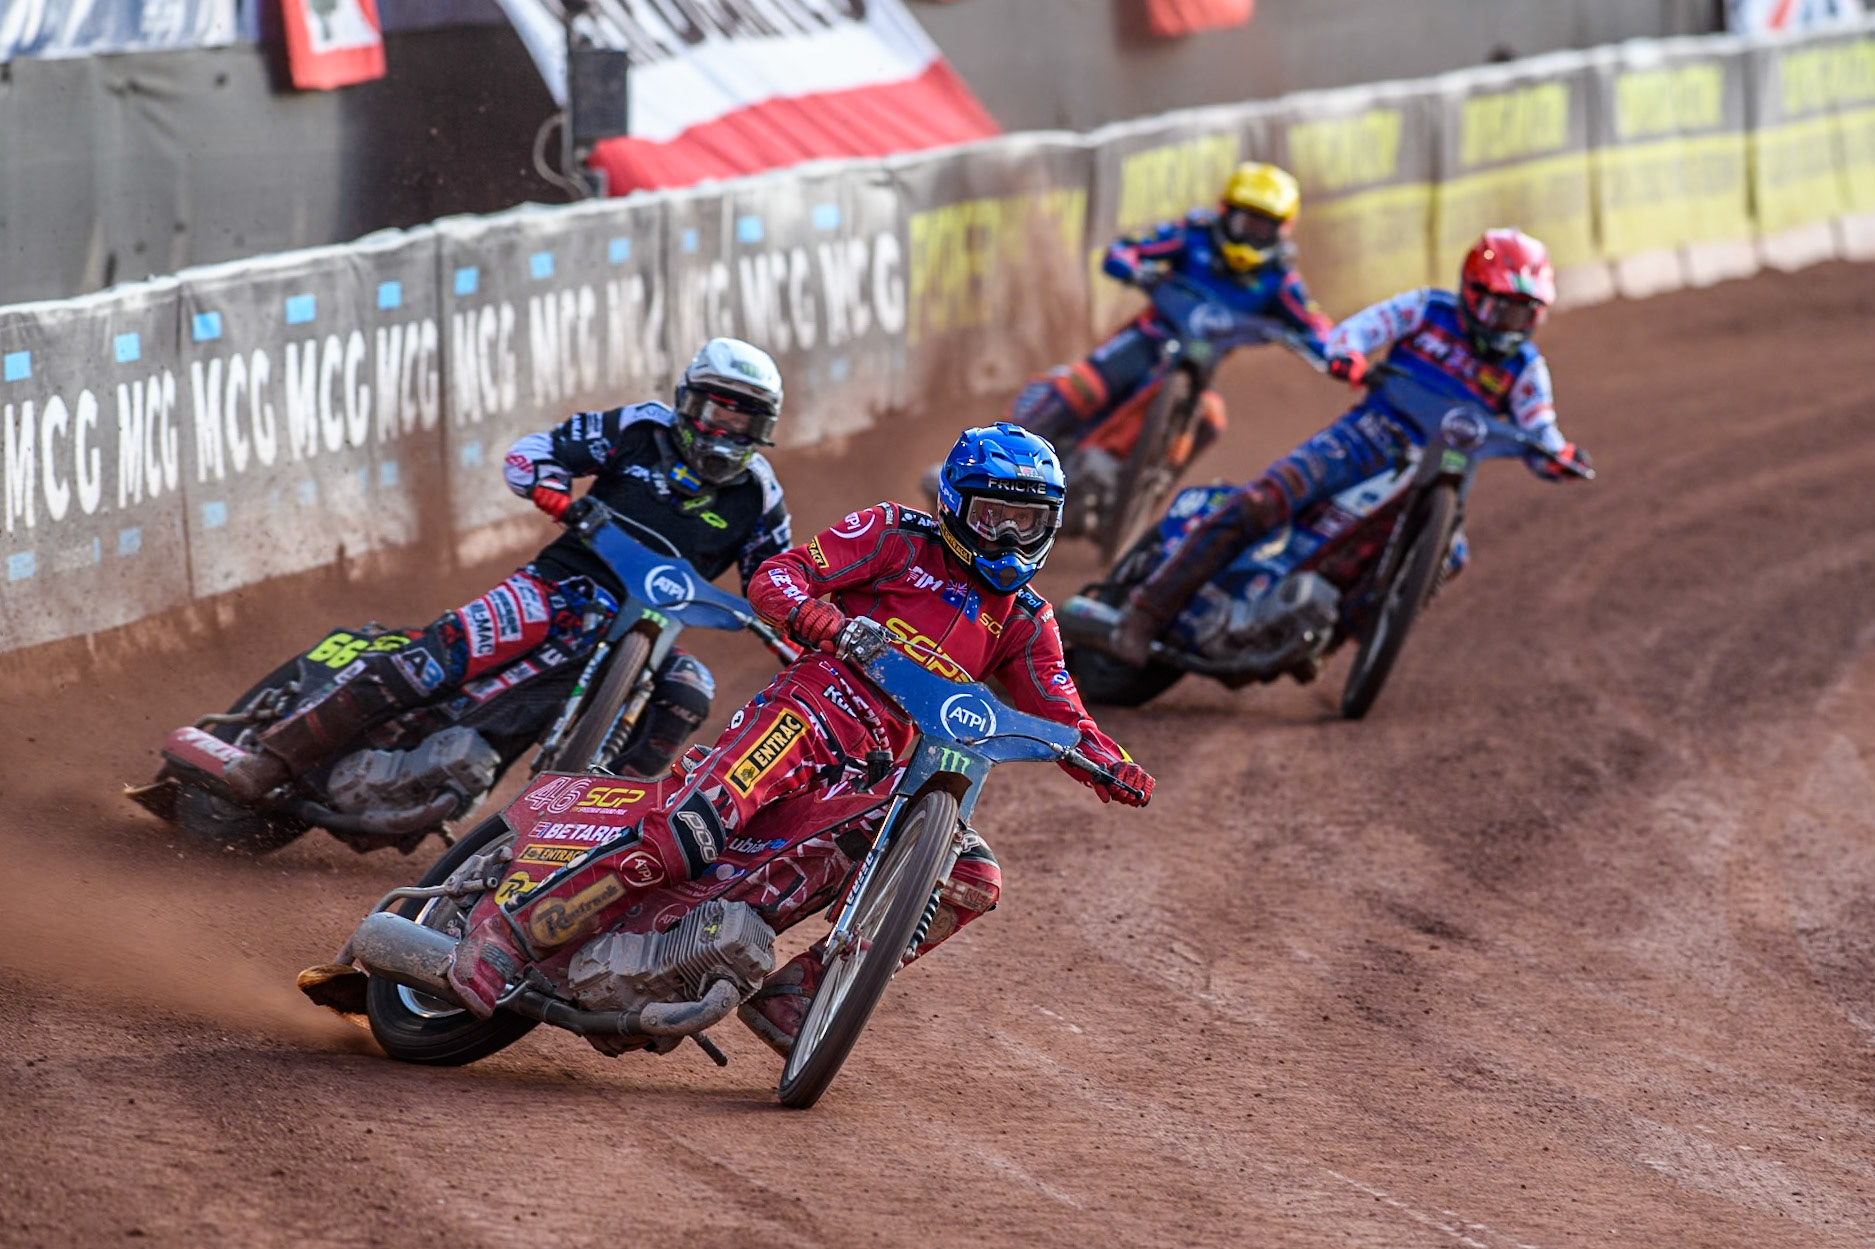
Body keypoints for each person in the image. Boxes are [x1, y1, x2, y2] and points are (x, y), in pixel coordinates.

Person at [444, 424, 1156, 1051]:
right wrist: (821, 620)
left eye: (1027, 522)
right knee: (690, 830)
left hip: (877, 771)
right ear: (954, 504)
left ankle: (797, 995)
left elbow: (1066, 716)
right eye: (993, 516)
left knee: (971, 873)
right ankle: (510, 931)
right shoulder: (894, 534)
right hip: (808, 711)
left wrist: (1112, 763)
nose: (1008, 537)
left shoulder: (1026, 620)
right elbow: (780, 576)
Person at [223, 338, 793, 804]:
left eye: (742, 420)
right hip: (558, 587)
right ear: (688, 402)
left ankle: (600, 828)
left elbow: (777, 580)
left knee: (690, 690)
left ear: (762, 427)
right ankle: (273, 758)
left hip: (650, 631)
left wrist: (804, 623)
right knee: (433, 661)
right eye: (716, 412)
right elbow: (532, 453)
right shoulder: (640, 429)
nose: (724, 431)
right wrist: (553, 492)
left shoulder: (760, 496)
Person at [1107, 228, 1593, 666]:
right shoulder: (1428, 309)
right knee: (1264, 499)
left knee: (1452, 555)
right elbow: (1359, 330)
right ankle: (1146, 612)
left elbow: (1541, 428)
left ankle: (1328, 641)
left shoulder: (1526, 368)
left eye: (1524, 313)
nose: (1509, 324)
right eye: (1501, 309)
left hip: (1437, 474)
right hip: (1369, 435)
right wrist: (1348, 354)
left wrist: (1561, 457)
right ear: (1472, 292)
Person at [1005, 161, 1333, 466]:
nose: (1251, 235)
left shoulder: (1280, 279)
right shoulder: (1194, 235)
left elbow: (1316, 324)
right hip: (1147, 340)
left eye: (1262, 228)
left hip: (1200, 366)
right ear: (1225, 212)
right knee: (1081, 389)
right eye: (1245, 223)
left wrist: (1335, 352)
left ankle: (1149, 490)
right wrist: (1132, 268)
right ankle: (1003, 456)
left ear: (1282, 229)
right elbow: (1127, 248)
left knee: (1211, 420)